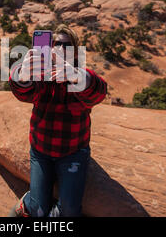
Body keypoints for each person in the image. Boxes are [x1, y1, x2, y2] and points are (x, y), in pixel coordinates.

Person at [8, 24, 107, 217]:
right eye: (55, 44)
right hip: (41, 151)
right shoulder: (40, 75)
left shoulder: (79, 76)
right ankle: (30, 202)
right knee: (37, 209)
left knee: (69, 212)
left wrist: (76, 76)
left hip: (73, 152)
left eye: (67, 45)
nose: (61, 49)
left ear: (75, 52)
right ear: (48, 48)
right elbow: (22, 92)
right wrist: (22, 74)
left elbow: (99, 91)